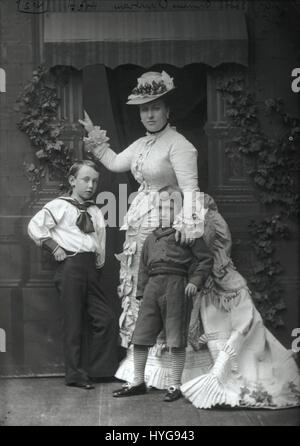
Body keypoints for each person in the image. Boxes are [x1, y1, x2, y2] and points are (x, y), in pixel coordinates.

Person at [79, 71, 206, 389]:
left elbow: (190, 189)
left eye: (155, 107)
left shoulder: (180, 145)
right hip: (137, 224)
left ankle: (166, 367)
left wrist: (187, 226)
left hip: (165, 224)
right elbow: (114, 163)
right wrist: (94, 135)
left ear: (167, 110)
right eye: (143, 109)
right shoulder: (141, 144)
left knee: (163, 291)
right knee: (137, 286)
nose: (149, 114)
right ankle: (141, 368)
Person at [181, 194, 300, 409]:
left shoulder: (212, 219)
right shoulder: (199, 219)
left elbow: (207, 244)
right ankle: (216, 372)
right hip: (208, 279)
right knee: (212, 326)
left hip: (221, 277)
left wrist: (188, 235)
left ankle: (229, 376)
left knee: (242, 322)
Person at [112, 186, 213, 401]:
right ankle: (138, 381)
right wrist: (140, 294)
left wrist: (195, 281)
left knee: (176, 337)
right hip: (152, 288)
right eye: (159, 207)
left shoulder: (189, 234)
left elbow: (205, 260)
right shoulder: (150, 238)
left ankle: (175, 385)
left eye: (169, 207)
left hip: (177, 286)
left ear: (180, 210)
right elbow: (142, 268)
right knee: (140, 336)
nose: (163, 211)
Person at [28, 160, 119, 389]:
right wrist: (54, 247)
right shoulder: (60, 205)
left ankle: (99, 371)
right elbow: (34, 226)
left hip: (91, 269)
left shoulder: (95, 211)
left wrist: (97, 268)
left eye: (95, 181)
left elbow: (101, 244)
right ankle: (76, 375)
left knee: (106, 319)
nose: (91, 185)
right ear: (72, 181)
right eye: (85, 180)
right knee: (73, 322)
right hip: (70, 267)